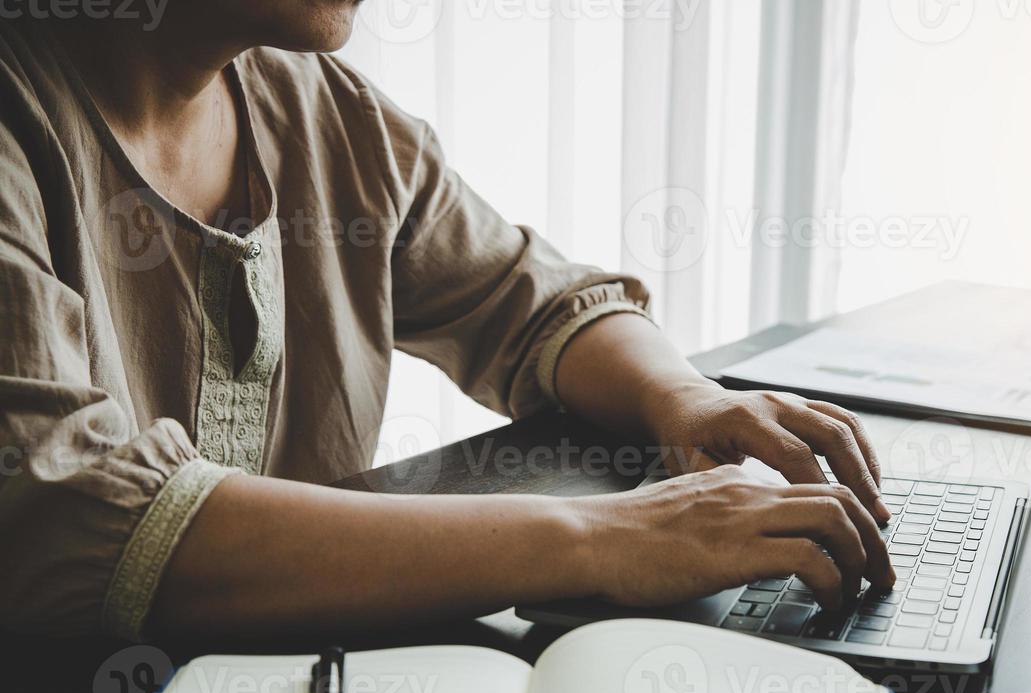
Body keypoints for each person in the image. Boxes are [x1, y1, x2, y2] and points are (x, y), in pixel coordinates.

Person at [0, 0, 894, 641]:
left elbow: (532, 301)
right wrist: (611, 540)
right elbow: (68, 510)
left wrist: (682, 396)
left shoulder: (326, 111)